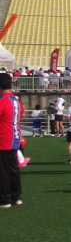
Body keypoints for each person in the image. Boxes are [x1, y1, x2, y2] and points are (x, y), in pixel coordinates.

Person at [0, 73, 23, 210]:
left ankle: (4, 199)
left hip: (3, 139)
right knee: (13, 169)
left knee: (2, 171)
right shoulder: (16, 101)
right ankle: (16, 196)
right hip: (14, 139)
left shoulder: (3, 101)